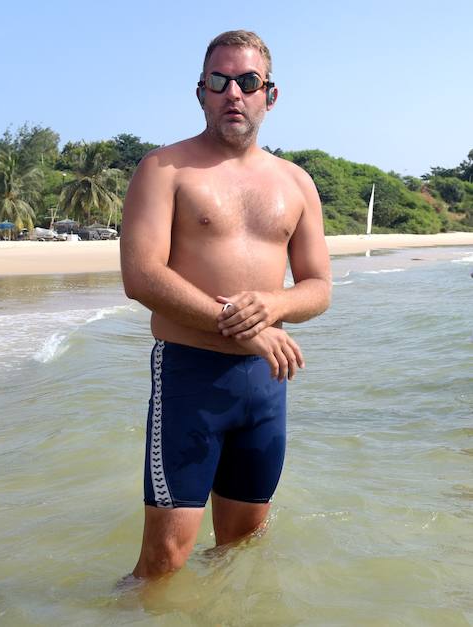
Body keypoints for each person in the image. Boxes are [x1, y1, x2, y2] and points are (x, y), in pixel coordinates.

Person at [120, 30, 331, 580]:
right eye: (219, 81)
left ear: (270, 95)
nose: (232, 92)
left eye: (247, 81)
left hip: (266, 384)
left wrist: (273, 304)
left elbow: (318, 287)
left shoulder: (296, 183)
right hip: (189, 379)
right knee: (164, 560)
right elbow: (141, 276)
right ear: (201, 93)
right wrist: (242, 326)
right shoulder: (164, 169)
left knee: (242, 549)